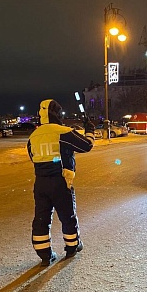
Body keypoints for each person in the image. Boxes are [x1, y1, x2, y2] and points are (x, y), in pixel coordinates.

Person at [27, 99, 95, 266]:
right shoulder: (63, 132)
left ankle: (45, 255)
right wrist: (90, 129)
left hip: (40, 183)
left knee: (41, 218)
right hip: (61, 181)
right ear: (57, 114)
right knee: (67, 216)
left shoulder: (33, 137)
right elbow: (87, 145)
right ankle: (72, 246)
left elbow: (32, 157)